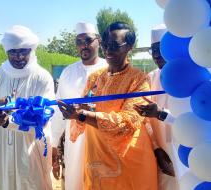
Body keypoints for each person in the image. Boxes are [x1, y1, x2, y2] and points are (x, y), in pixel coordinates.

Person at [57, 21, 158, 190]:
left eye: (115, 45)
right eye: (105, 44)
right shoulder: (95, 78)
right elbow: (79, 121)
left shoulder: (139, 80)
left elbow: (127, 122)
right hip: (96, 158)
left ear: (129, 47)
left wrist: (83, 115)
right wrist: (77, 115)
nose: (108, 50)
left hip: (127, 161)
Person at [0, 25, 55, 190]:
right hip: (2, 150)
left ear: (31, 50)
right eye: (13, 52)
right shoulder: (0, 74)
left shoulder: (41, 77)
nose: (18, 56)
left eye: (24, 51)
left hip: (30, 149)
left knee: (31, 183)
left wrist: (9, 121)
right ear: (7, 52)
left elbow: (42, 116)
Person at [51, 22, 107, 190]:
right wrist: (54, 144)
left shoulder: (109, 68)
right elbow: (57, 111)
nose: (84, 45)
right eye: (79, 41)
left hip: (102, 139)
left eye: (88, 40)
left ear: (98, 41)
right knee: (75, 181)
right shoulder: (68, 72)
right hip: (74, 142)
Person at [134, 24, 187, 190]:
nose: (156, 54)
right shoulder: (150, 78)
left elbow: (194, 119)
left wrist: (162, 114)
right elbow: (145, 121)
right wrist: (157, 148)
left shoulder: (191, 75)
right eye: (152, 49)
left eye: (160, 48)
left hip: (188, 152)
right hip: (161, 153)